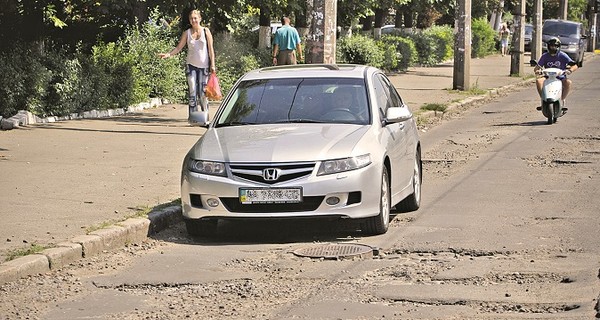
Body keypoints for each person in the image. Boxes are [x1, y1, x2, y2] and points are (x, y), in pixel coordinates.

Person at [159, 9, 216, 117]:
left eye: (195, 18)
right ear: (189, 21)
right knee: (192, 91)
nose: (193, 20)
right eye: (191, 18)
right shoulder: (187, 33)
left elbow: (211, 50)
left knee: (202, 92)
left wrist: (212, 64)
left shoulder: (206, 31)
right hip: (191, 66)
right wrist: (168, 55)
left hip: (204, 67)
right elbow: (178, 47)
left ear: (200, 19)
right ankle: (193, 116)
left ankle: (205, 115)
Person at [534, 37, 577, 111]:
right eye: (551, 46)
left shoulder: (562, 55)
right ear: (548, 46)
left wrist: (570, 70)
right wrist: (537, 71)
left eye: (555, 46)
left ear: (558, 47)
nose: (553, 48)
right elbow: (537, 67)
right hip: (548, 77)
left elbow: (574, 65)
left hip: (560, 77)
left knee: (568, 83)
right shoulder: (545, 56)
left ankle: (562, 100)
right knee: (539, 81)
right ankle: (544, 100)